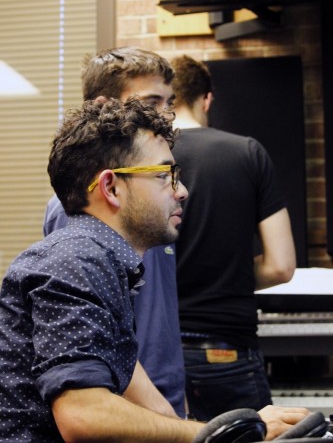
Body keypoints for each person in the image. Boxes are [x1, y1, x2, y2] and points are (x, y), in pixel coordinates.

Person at [0, 98, 311, 441]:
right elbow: (83, 414)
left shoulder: (106, 262)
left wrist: (237, 426)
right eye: (164, 175)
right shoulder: (76, 260)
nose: (182, 191)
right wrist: (211, 435)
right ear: (111, 187)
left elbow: (146, 402)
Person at [43, 47, 186, 417]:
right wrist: (163, 415)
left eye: (169, 101)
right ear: (107, 106)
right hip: (126, 405)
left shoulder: (152, 205)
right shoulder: (81, 212)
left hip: (165, 394)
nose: (165, 113)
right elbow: (94, 339)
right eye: (152, 101)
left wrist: (178, 404)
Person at [170, 55, 297, 421]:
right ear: (206, 99)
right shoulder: (246, 152)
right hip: (226, 349)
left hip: (154, 353)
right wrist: (229, 273)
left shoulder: (139, 159)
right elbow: (280, 266)